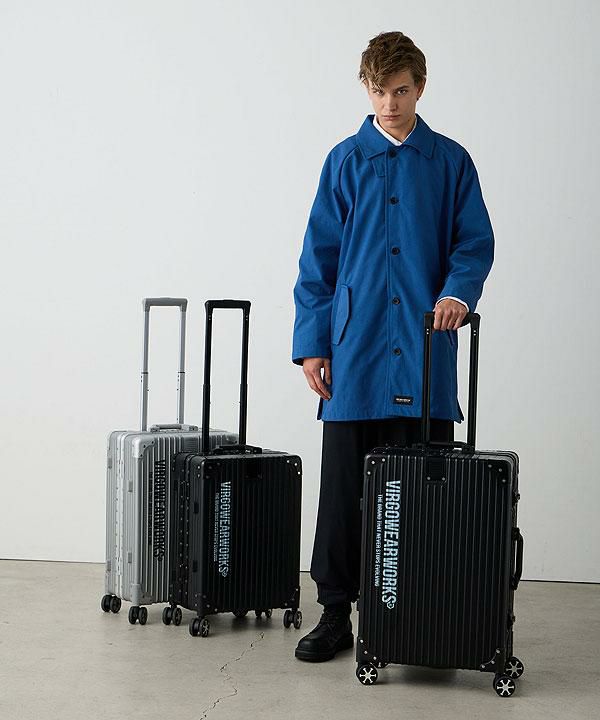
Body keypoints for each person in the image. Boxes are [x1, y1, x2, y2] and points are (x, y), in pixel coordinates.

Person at [291, 31, 494, 662]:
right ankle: (334, 613)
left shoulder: (450, 162)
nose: (389, 104)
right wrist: (313, 345)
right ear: (366, 87)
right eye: (379, 91)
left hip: (424, 350)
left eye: (400, 91)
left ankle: (419, 613)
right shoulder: (344, 161)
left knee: (423, 491)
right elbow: (317, 261)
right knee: (343, 489)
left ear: (420, 87)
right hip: (354, 355)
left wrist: (458, 292)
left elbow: (473, 242)